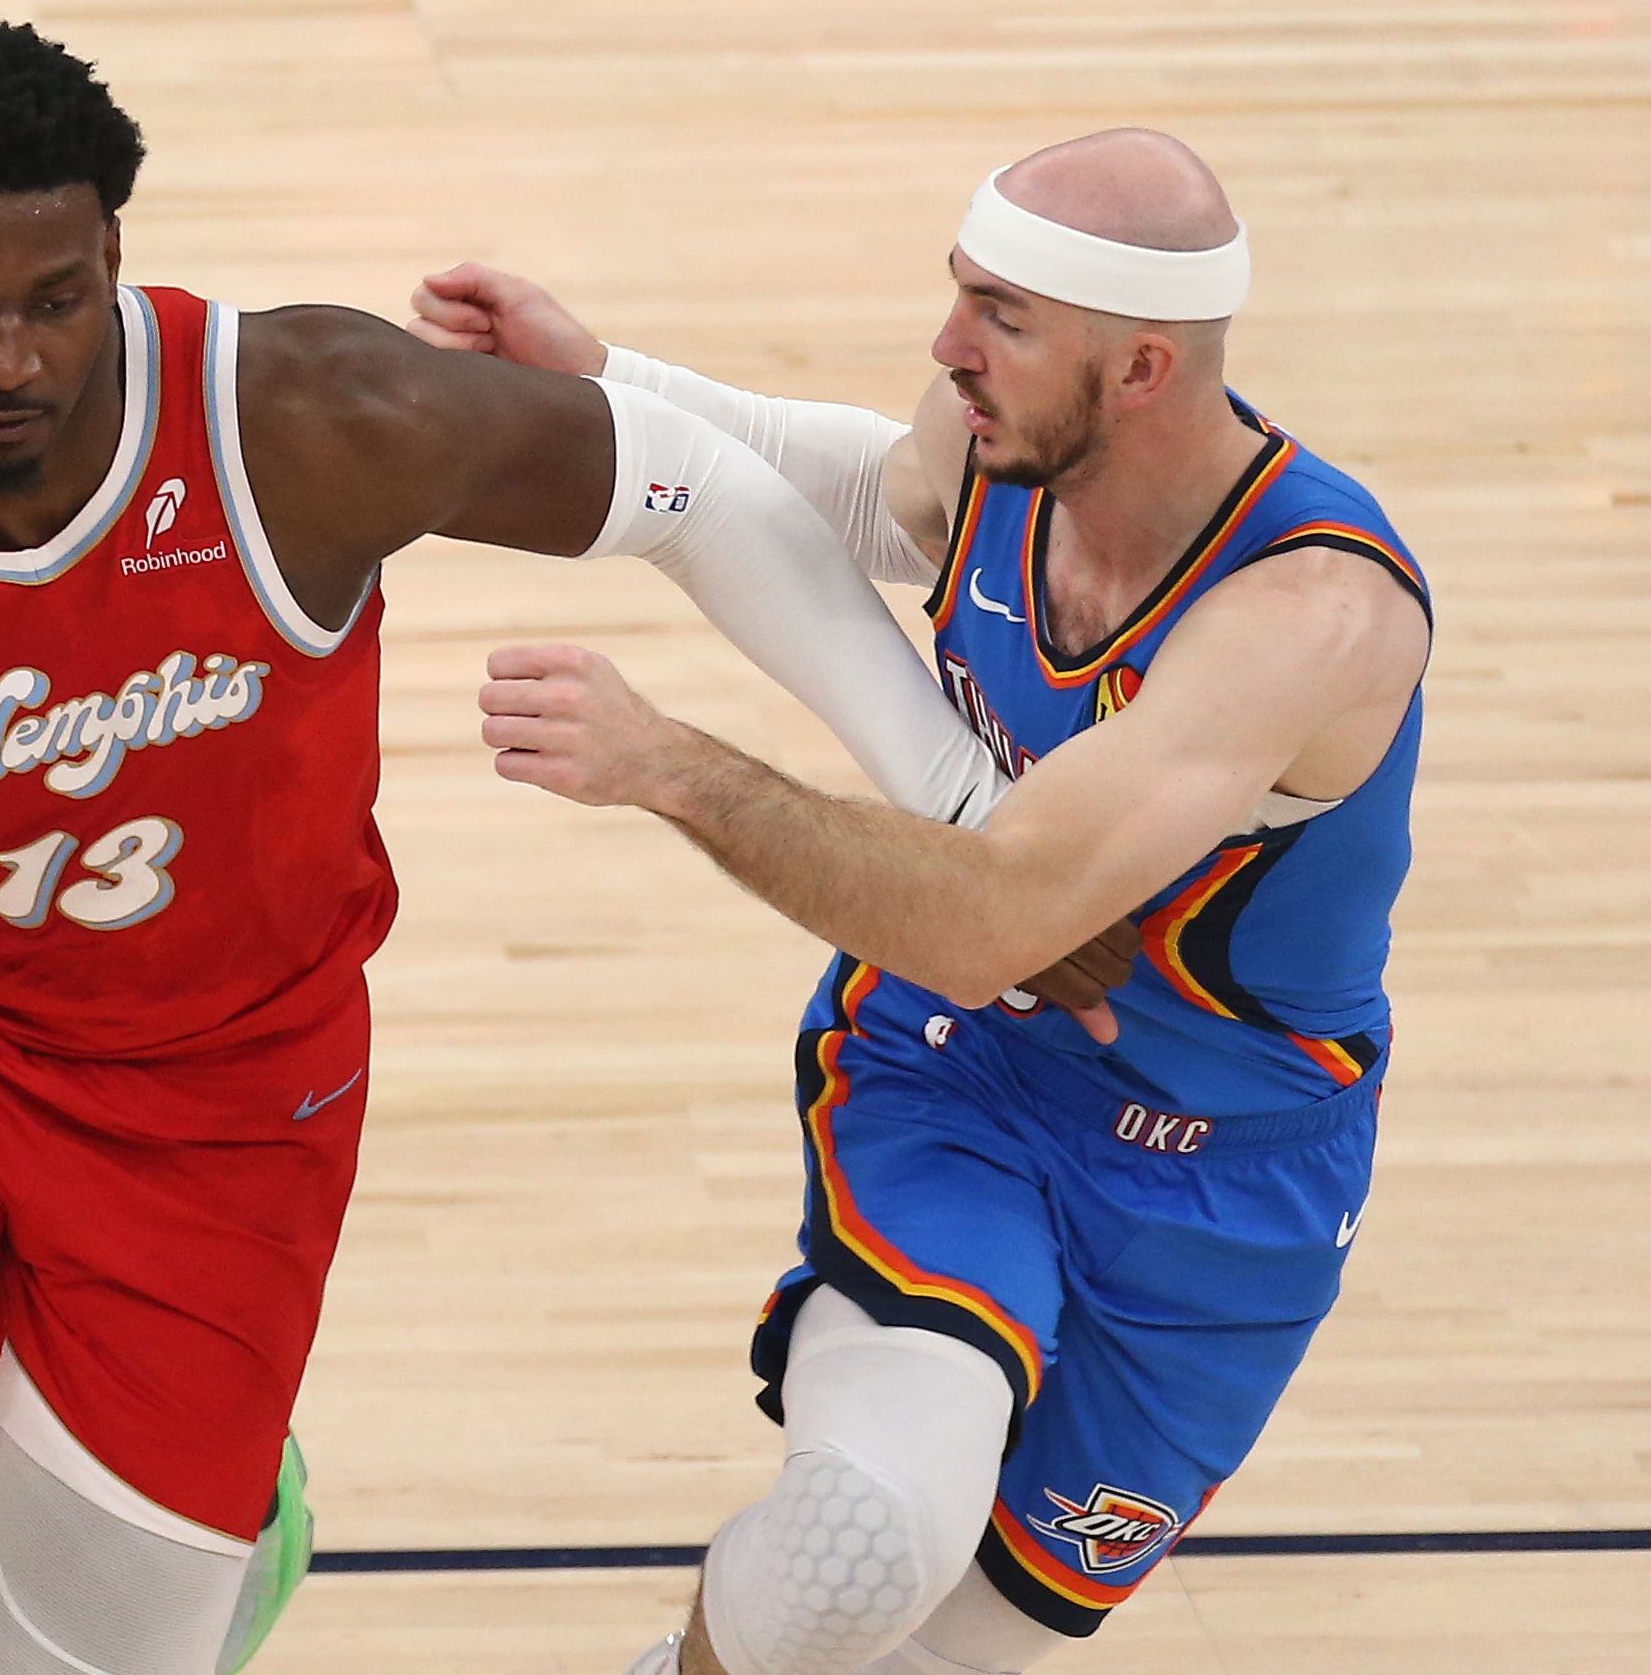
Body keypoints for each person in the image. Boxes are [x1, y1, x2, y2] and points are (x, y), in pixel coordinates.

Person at [0, 21, 1125, 1675]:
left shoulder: (307, 422)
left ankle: (235, 1520)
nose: (7, 360)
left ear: (113, 257)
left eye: (54, 298)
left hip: (229, 1114)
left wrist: (969, 823)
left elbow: (691, 487)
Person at [412, 127, 1429, 1675]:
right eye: (962, 296)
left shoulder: (1309, 619)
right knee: (857, 1552)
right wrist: (606, 376)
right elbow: (859, 494)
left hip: (1230, 1182)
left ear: (1143, 368)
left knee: (916, 1658)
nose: (949, 347)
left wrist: (675, 767)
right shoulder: (999, 441)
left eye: (1002, 319)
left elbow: (987, 911)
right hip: (967, 1075)